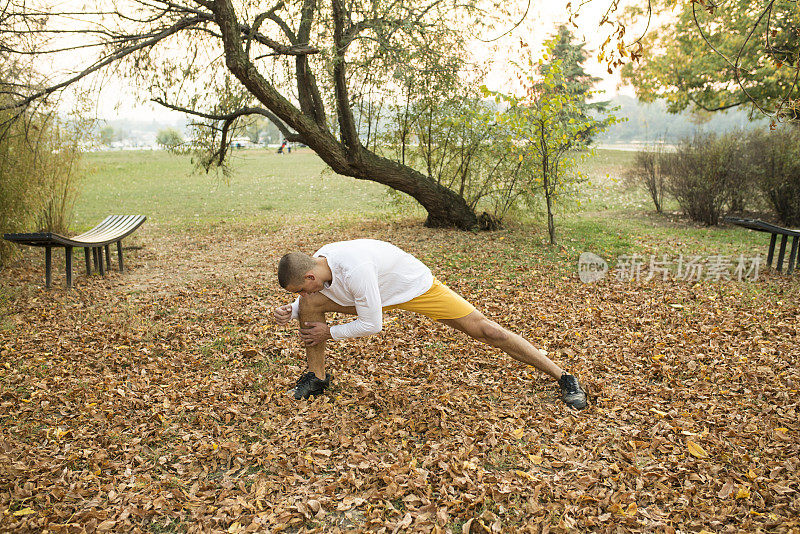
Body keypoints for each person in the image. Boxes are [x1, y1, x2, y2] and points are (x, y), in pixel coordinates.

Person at [273, 239, 588, 409]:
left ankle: (563, 376)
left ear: (310, 276)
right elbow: (325, 294)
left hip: (415, 288)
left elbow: (372, 324)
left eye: (299, 289)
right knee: (310, 306)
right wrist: (295, 306)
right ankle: (316, 378)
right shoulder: (320, 264)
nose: (301, 294)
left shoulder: (354, 269)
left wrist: (330, 331)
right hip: (374, 294)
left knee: (487, 330)